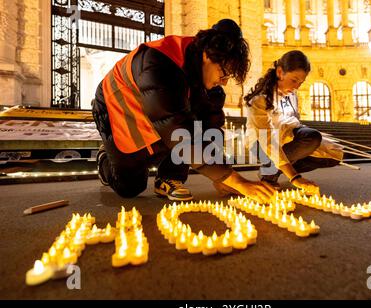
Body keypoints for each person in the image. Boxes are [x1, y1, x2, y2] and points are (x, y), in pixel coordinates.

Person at [92, 19, 275, 203]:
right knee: (130, 187)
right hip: (115, 107)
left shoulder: (212, 88)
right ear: (207, 55)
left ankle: (169, 178)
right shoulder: (160, 62)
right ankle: (104, 161)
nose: (225, 81)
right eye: (224, 73)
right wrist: (238, 181)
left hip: (160, 116)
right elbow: (175, 128)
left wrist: (223, 176)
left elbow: (211, 131)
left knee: (193, 125)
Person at [244, 50, 341, 193]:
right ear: (280, 72)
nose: (297, 87)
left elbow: (294, 120)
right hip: (261, 143)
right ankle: (269, 172)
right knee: (312, 138)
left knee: (333, 156)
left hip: (288, 135)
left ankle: (272, 169)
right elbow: (267, 139)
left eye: (301, 82)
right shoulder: (260, 100)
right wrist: (294, 177)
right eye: (294, 80)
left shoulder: (292, 94)